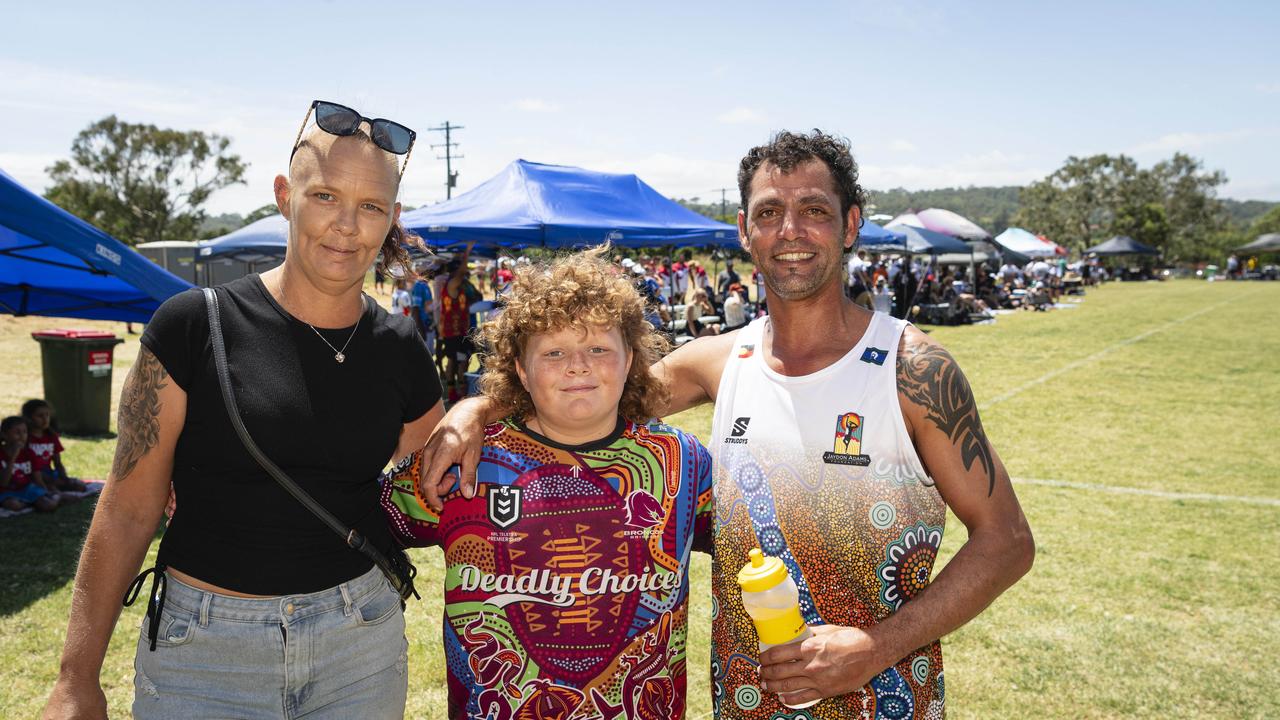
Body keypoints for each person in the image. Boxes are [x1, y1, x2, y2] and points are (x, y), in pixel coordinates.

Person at [419, 130, 1034, 718]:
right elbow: (583, 393)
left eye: (814, 210)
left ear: (850, 226)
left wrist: (876, 647)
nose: (789, 231)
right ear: (744, 231)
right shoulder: (720, 361)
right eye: (769, 212)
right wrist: (476, 407)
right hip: (744, 699)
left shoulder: (912, 368)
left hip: (884, 696)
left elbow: (1006, 541)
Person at [43, 101, 445, 720]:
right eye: (325, 196)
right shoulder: (190, 327)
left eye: (371, 207)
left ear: (392, 218)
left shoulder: (399, 345)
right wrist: (76, 679)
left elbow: (435, 482)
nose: (346, 225)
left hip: (357, 645)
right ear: (286, 196)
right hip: (204, 652)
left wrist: (473, 415)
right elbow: (127, 508)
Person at [381, 247, 713, 719]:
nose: (578, 365)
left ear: (631, 358)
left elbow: (756, 543)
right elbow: (363, 531)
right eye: (554, 352)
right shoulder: (465, 460)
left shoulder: (682, 462)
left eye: (599, 348)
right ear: (520, 367)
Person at [440, 242, 477, 403]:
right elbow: (462, 272)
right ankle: (459, 392)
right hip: (454, 333)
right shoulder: (452, 284)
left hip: (459, 331)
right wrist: (467, 252)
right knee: (460, 362)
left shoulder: (458, 286)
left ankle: (454, 391)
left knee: (456, 361)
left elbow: (476, 297)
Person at [23, 399, 85, 492]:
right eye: (40, 416)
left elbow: (57, 462)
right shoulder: (25, 438)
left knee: (80, 486)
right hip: (30, 475)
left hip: (48, 473)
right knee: (53, 489)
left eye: (47, 415)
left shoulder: (51, 437)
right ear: (28, 418)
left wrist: (64, 478)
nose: (45, 419)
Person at [1, 415, 60, 512]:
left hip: (27, 489)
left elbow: (37, 478)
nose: (22, 436)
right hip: (7, 492)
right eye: (17, 432)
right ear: (4, 435)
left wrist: (45, 493)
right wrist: (13, 457)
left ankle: (57, 497)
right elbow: (3, 483)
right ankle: (30, 504)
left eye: (24, 432)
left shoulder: (29, 453)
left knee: (48, 505)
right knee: (13, 505)